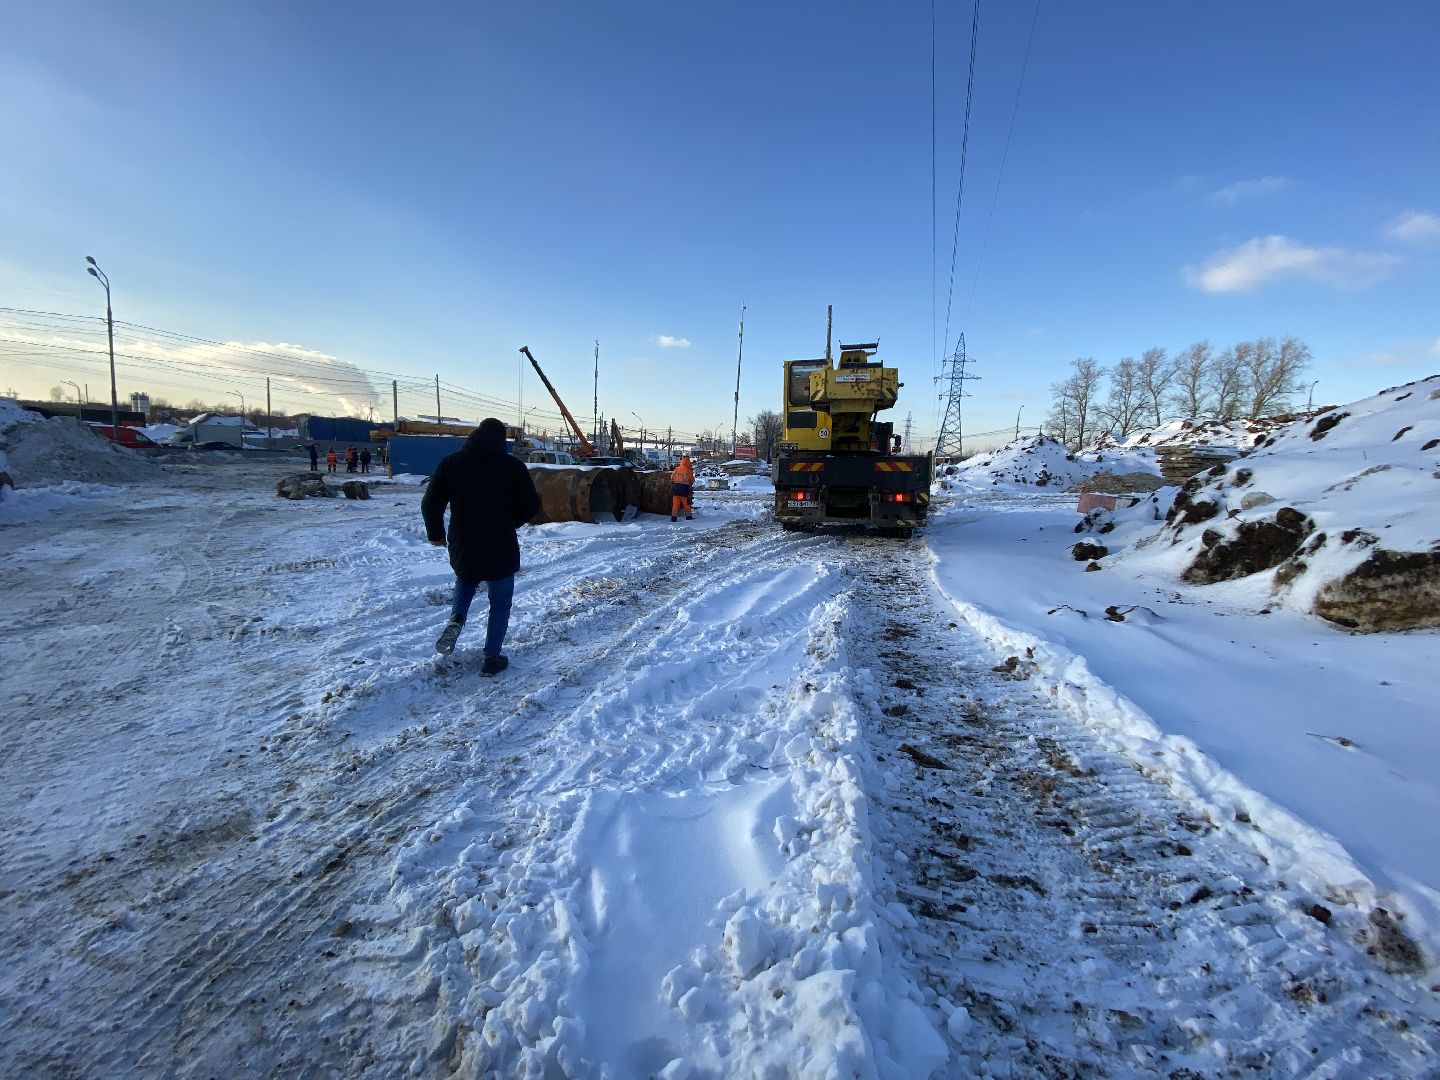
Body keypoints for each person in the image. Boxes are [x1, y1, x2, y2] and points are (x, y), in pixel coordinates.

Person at [422, 417, 541, 675]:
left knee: (465, 580)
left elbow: (431, 502)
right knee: (500, 601)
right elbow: (531, 506)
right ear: (501, 439)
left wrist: (436, 533)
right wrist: (512, 521)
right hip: (500, 542)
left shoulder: (451, 464)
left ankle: (457, 619)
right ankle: (491, 658)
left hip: (463, 540)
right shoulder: (513, 467)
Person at [671, 454, 695, 521]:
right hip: (684, 490)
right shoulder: (688, 470)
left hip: (675, 489)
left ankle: (673, 517)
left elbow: (672, 478)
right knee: (686, 504)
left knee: (675, 504)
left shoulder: (676, 469)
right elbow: (692, 480)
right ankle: (688, 517)